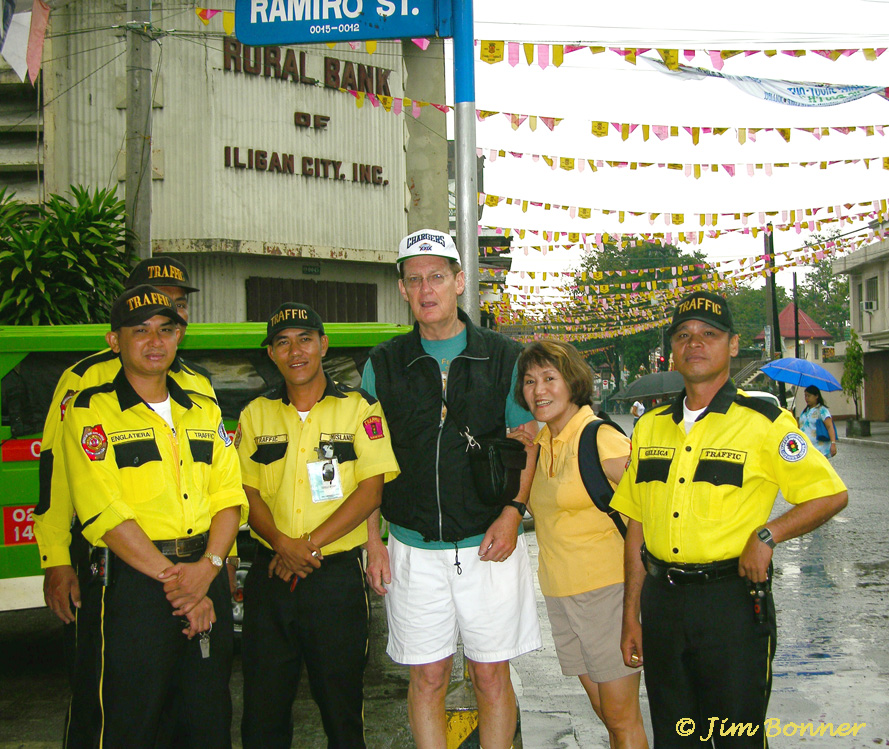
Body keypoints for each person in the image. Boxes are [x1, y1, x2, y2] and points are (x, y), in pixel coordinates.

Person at [612, 290, 848, 747]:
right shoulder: (650, 426)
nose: (694, 343)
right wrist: (631, 617)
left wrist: (768, 534)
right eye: (683, 335)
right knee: (676, 737)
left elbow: (830, 494)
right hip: (662, 605)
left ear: (733, 345)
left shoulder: (765, 421)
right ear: (671, 351)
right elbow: (636, 526)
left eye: (708, 334)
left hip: (732, 605)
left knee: (737, 737)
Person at [361, 229, 542, 749]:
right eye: (414, 280)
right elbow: (369, 462)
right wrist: (373, 540)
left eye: (437, 276)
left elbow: (525, 444)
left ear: (460, 282)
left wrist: (512, 512)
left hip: (489, 544)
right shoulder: (384, 363)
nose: (426, 289)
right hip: (413, 548)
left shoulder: (504, 357)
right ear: (402, 290)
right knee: (428, 677)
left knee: (490, 675)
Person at [58, 285, 247, 748]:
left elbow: (229, 496)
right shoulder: (91, 411)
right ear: (114, 341)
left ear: (179, 337)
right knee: (130, 723)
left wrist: (208, 569)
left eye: (166, 329)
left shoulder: (203, 408)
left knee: (207, 722)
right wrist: (182, 584)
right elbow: (104, 513)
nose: (154, 341)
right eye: (139, 330)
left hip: (204, 571)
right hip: (135, 587)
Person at [236, 303, 400, 749]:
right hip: (270, 577)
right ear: (270, 353)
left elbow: (372, 491)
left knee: (341, 710)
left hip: (333, 579)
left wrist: (304, 547)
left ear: (323, 345)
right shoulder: (255, 415)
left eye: (305, 339)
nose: (295, 351)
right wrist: (281, 544)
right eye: (283, 342)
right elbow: (245, 493)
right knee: (263, 712)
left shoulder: (359, 409)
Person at [35, 255, 213, 629]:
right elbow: (56, 469)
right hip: (110, 560)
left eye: (179, 305)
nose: (170, 314)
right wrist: (56, 558)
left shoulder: (198, 384)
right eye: (156, 300)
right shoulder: (84, 380)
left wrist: (220, 560)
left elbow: (217, 484)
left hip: (192, 559)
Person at [514, 340, 648, 749]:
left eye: (549, 379)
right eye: (530, 380)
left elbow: (651, 505)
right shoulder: (543, 442)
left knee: (622, 719)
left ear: (572, 382)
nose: (539, 390)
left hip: (606, 593)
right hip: (561, 594)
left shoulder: (599, 437)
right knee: (606, 714)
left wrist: (634, 605)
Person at [798, 385, 837, 459]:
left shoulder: (822, 410)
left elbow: (829, 427)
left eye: (809, 396)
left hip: (820, 449)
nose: (806, 398)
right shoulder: (805, 412)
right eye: (805, 396)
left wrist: (833, 443)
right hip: (806, 448)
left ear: (816, 396)